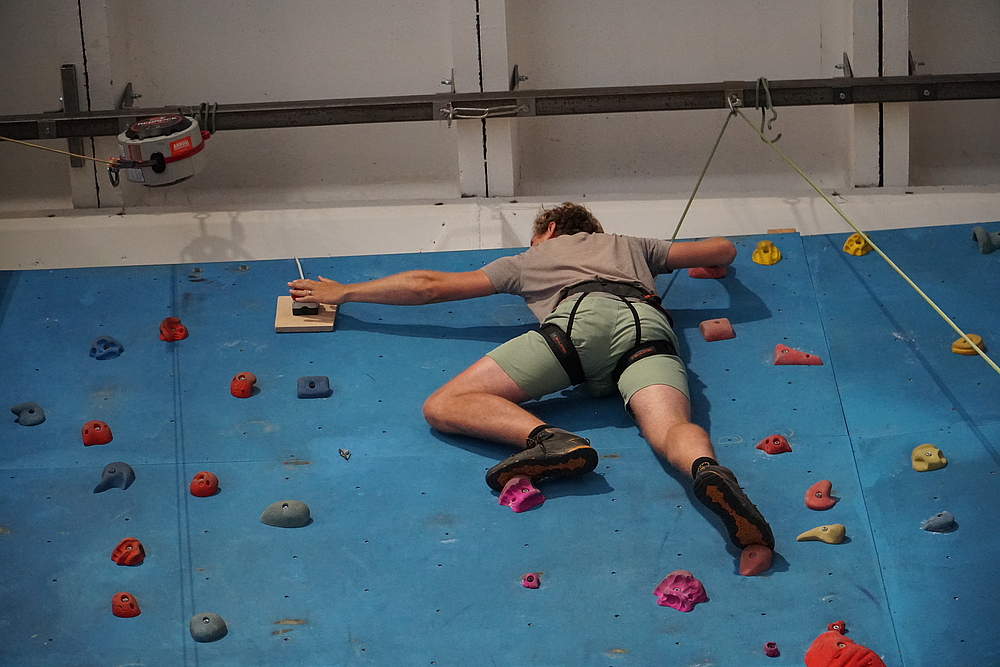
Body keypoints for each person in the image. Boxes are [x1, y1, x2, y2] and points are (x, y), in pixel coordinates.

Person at [288, 202, 773, 553]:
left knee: (444, 405)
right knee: (670, 429)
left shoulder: (528, 260)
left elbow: (429, 286)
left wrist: (344, 291)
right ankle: (707, 470)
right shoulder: (634, 247)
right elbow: (724, 249)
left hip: (579, 322)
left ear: (550, 230)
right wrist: (702, 263)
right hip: (647, 327)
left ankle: (549, 439)